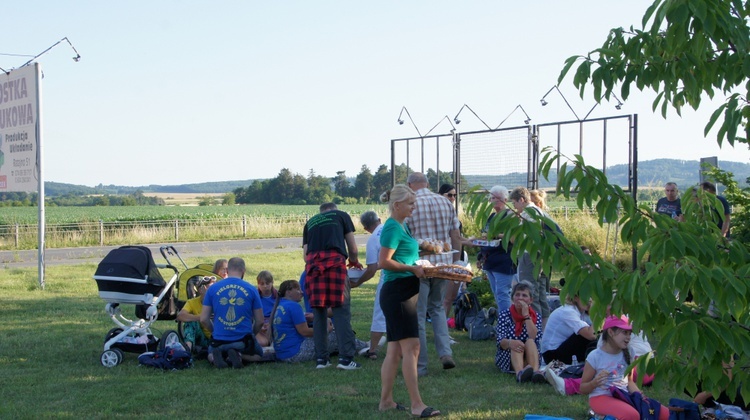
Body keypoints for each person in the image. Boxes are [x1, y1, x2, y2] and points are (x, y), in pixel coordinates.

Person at [377, 184, 441, 418]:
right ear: (397, 205)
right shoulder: (392, 228)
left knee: (394, 350)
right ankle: (417, 405)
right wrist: (412, 269)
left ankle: (386, 401)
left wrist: (421, 258)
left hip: (402, 290)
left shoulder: (401, 226)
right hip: (398, 293)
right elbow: (383, 262)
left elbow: (404, 254)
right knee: (412, 347)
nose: (414, 207)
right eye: (411, 203)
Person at [406, 172, 462, 376]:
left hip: (418, 265)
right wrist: (456, 263)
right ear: (427, 184)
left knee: (419, 315)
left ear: (410, 184)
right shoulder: (445, 202)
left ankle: (420, 365)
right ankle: (445, 353)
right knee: (437, 308)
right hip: (443, 263)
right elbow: (455, 234)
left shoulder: (410, 203)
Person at [302, 202, 363, 370]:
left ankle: (322, 360)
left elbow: (305, 255)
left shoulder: (311, 222)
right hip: (335, 265)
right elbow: (353, 247)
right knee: (341, 311)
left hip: (313, 269)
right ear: (334, 209)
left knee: (319, 313)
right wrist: (353, 261)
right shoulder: (342, 215)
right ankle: (345, 359)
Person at [581, 316, 669, 420]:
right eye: (624, 333)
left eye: (629, 333)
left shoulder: (629, 351)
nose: (628, 337)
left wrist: (639, 395)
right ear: (610, 332)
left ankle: (605, 417)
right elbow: (583, 388)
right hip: (601, 397)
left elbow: (629, 381)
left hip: (623, 396)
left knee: (663, 413)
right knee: (632, 416)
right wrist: (594, 383)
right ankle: (601, 416)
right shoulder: (595, 356)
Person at [271, 280, 367, 363]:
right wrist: (326, 330)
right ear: (288, 292)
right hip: (295, 353)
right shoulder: (294, 306)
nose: (302, 292)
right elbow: (305, 332)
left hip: (282, 354)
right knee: (336, 336)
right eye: (298, 289)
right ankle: (365, 346)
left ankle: (359, 347)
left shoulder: (280, 305)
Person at [200, 257, 264, 368]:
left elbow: (203, 319)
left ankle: (215, 358)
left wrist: (215, 331)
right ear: (243, 271)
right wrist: (251, 334)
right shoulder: (251, 289)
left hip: (218, 341)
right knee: (259, 355)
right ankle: (239, 355)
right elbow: (260, 321)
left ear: (227, 271)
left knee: (210, 352)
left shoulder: (212, 289)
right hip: (242, 341)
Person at [463, 185, 515, 312]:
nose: (493, 201)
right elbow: (485, 237)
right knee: (496, 293)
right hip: (489, 260)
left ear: (505, 200)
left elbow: (513, 237)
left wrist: (494, 235)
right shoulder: (492, 216)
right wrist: (480, 255)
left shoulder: (511, 216)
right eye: (492, 198)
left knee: (503, 293)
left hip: (504, 260)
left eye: (497, 198)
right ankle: (504, 319)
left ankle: (507, 323)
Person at [509, 187, 553, 329]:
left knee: (529, 291)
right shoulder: (538, 211)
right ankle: (544, 327)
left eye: (515, 203)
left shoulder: (528, 213)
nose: (515, 207)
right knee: (540, 293)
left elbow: (518, 238)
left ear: (521, 200)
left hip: (529, 255)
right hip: (540, 255)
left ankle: (535, 328)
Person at [350, 210, 386, 360]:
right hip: (408, 274)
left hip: (389, 277)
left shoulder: (372, 240)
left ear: (365, 228)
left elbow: (372, 269)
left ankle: (372, 350)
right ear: (379, 219)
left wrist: (357, 282)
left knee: (380, 313)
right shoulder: (393, 229)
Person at [495, 281, 545, 383]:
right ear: (513, 298)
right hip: (509, 356)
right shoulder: (505, 315)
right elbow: (500, 341)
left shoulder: (536, 316)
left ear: (530, 300)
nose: (520, 298)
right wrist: (510, 342)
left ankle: (535, 373)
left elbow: (534, 336)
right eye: (517, 295)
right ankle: (519, 374)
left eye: (524, 295)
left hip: (531, 355)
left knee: (530, 342)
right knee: (517, 343)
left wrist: (526, 316)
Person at [540, 294, 597, 365]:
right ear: (575, 297)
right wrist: (596, 315)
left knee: (599, 336)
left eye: (592, 298)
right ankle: (594, 364)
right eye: (587, 297)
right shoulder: (568, 311)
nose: (590, 301)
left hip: (563, 349)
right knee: (586, 336)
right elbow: (591, 335)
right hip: (552, 355)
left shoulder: (582, 311)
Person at [438, 183, 463, 318]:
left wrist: (469, 241)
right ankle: (443, 329)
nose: (453, 198)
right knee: (446, 298)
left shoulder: (452, 212)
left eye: (454, 195)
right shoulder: (440, 212)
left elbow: (457, 237)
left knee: (451, 296)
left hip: (456, 256)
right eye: (449, 195)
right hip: (448, 258)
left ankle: (445, 325)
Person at [176, 275, 216, 354]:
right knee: (190, 322)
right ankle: (187, 351)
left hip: (219, 337)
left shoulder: (221, 301)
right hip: (203, 338)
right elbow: (180, 316)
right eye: (209, 287)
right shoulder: (192, 302)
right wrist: (200, 317)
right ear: (200, 290)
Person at [255, 270, 278, 347]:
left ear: (272, 283)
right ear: (258, 285)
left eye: (267, 283)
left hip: (274, 322)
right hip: (260, 323)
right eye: (262, 284)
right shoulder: (255, 297)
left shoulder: (278, 296)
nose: (265, 286)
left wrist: (270, 324)